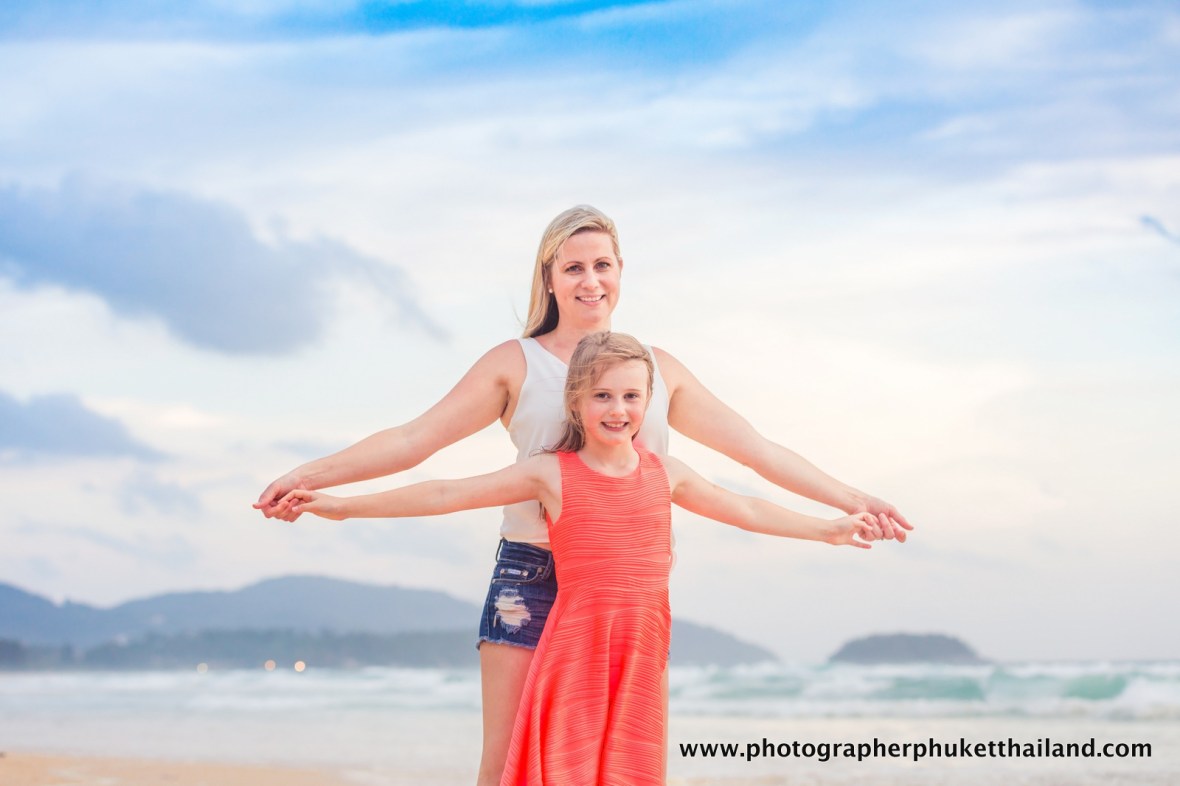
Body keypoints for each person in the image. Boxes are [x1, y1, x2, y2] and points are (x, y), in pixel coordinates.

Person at [254, 204, 912, 785]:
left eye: (602, 264)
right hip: (531, 579)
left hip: (624, 597)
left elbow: (755, 453)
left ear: (621, 271)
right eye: (573, 267)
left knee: (614, 764)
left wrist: (851, 501)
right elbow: (415, 443)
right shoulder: (516, 362)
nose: (590, 280)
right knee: (507, 764)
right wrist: (314, 481)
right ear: (548, 276)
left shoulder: (653, 370)